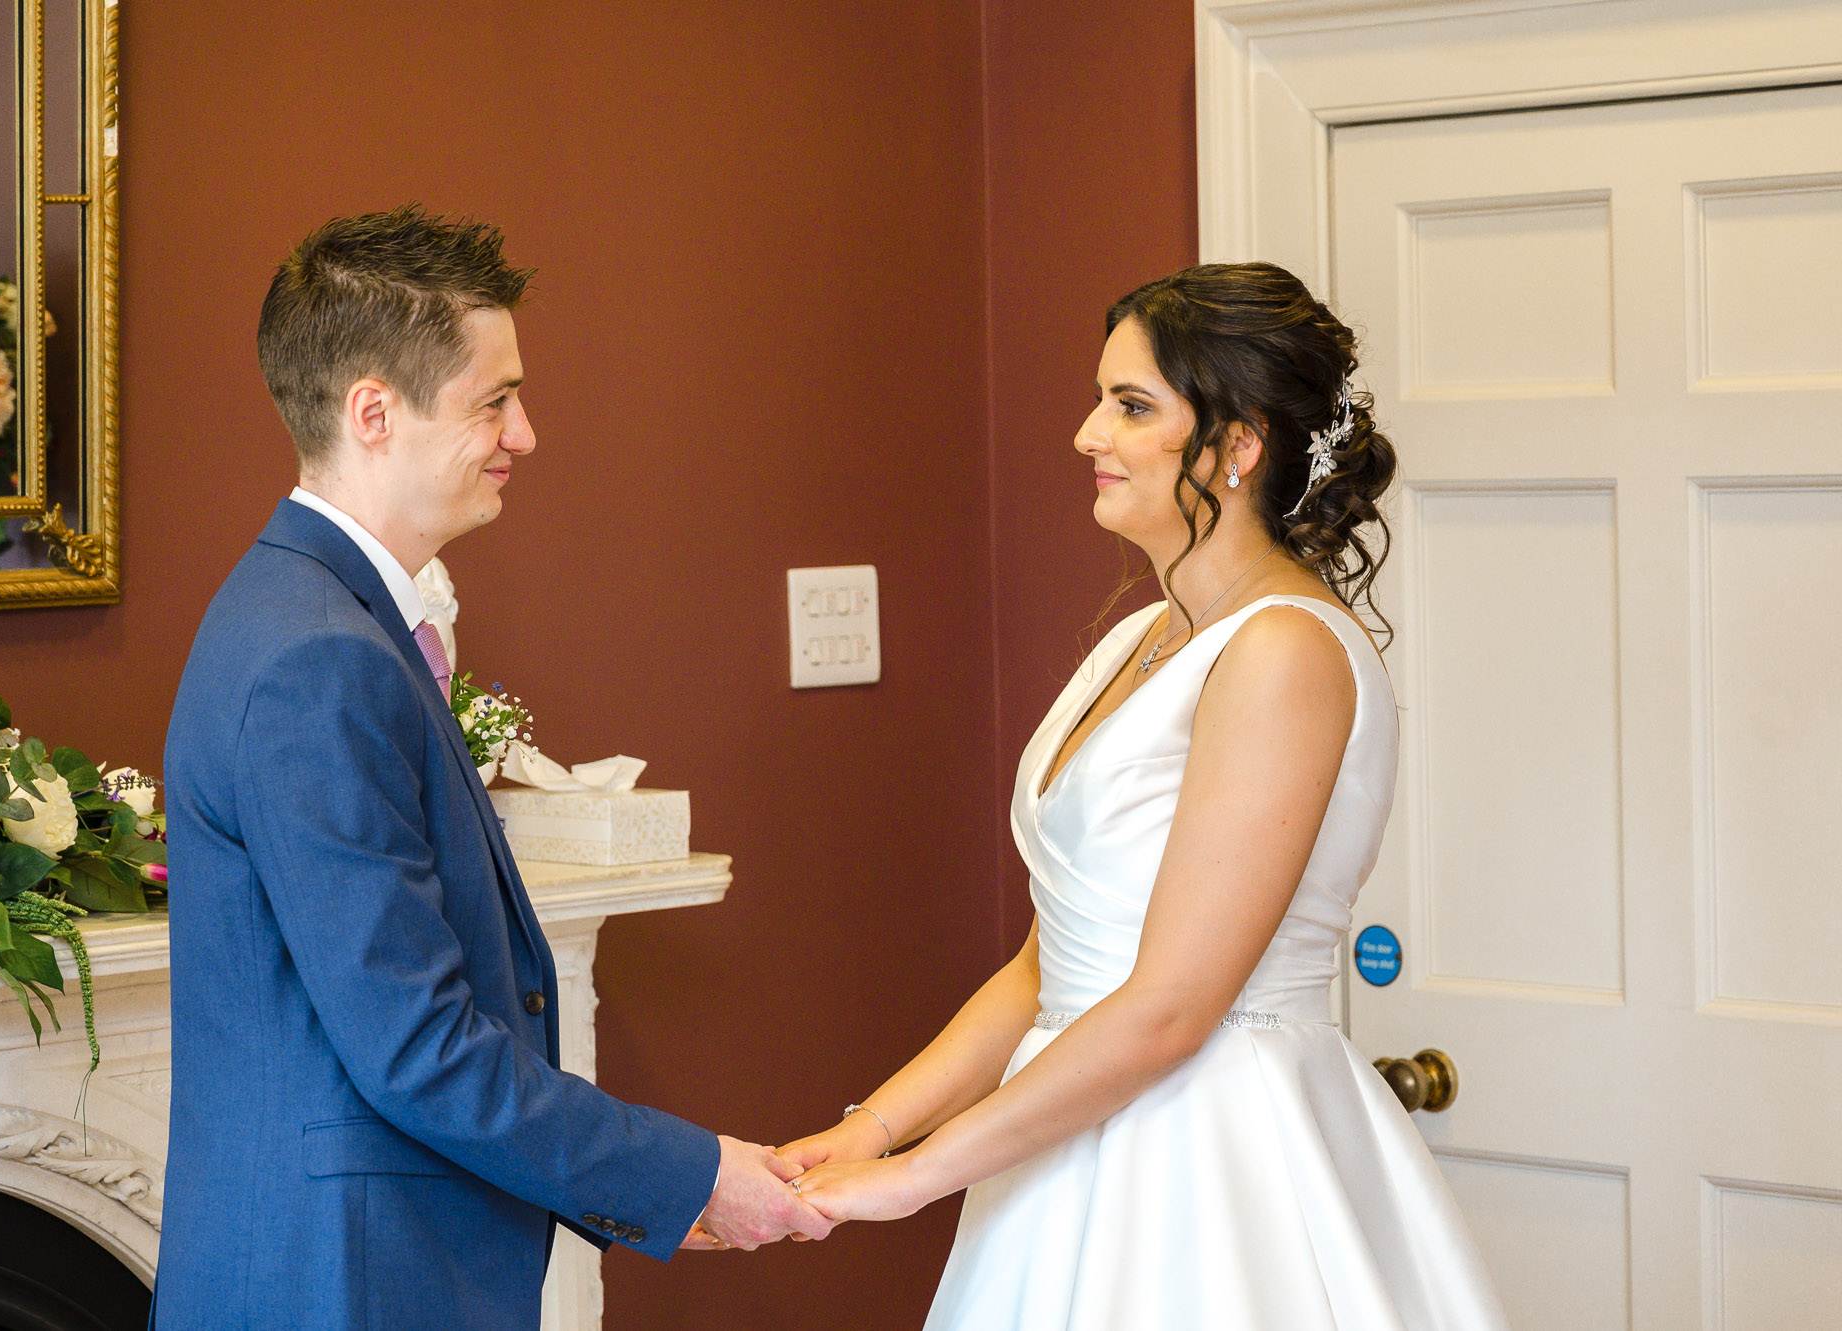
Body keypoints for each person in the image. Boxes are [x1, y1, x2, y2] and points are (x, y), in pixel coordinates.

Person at [782, 264, 1510, 1328]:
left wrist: (915, 1178)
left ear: (1236, 446)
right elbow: (1047, 965)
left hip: (1206, 1159)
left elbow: (1170, 1008)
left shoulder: (1282, 651)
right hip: (1062, 1141)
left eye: (1130, 406)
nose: (1087, 433)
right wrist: (875, 1128)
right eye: (1101, 399)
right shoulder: (1144, 636)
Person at [157, 205, 828, 1331]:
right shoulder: (321, 656)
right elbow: (418, 1046)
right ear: (374, 412)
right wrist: (687, 1175)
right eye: (493, 400)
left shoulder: (305, 610)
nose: (525, 433)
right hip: (345, 1279)